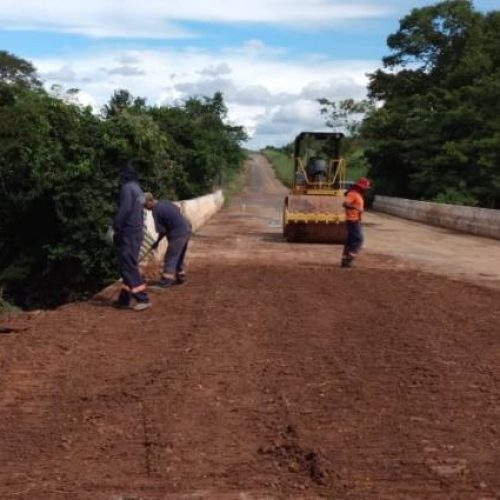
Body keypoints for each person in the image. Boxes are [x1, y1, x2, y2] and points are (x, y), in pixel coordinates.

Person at [113, 162, 151, 311]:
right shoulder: (139, 190)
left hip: (129, 232)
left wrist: (115, 226)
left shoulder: (127, 189)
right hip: (137, 231)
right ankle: (124, 299)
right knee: (129, 264)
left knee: (127, 265)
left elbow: (124, 210)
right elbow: (140, 211)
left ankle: (143, 298)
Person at [144, 193, 192, 289]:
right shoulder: (164, 202)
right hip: (186, 229)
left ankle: (165, 282)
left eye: (144, 205)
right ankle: (180, 277)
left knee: (171, 257)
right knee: (179, 255)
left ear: (150, 201)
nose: (145, 207)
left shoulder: (156, 211)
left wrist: (157, 242)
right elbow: (178, 209)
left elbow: (162, 231)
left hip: (177, 233)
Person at [341, 177, 371, 268]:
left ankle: (345, 260)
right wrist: (355, 207)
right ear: (361, 187)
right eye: (365, 187)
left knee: (350, 240)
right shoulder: (353, 194)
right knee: (358, 239)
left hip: (355, 220)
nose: (366, 189)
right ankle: (349, 259)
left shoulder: (358, 195)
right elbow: (345, 204)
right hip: (352, 220)